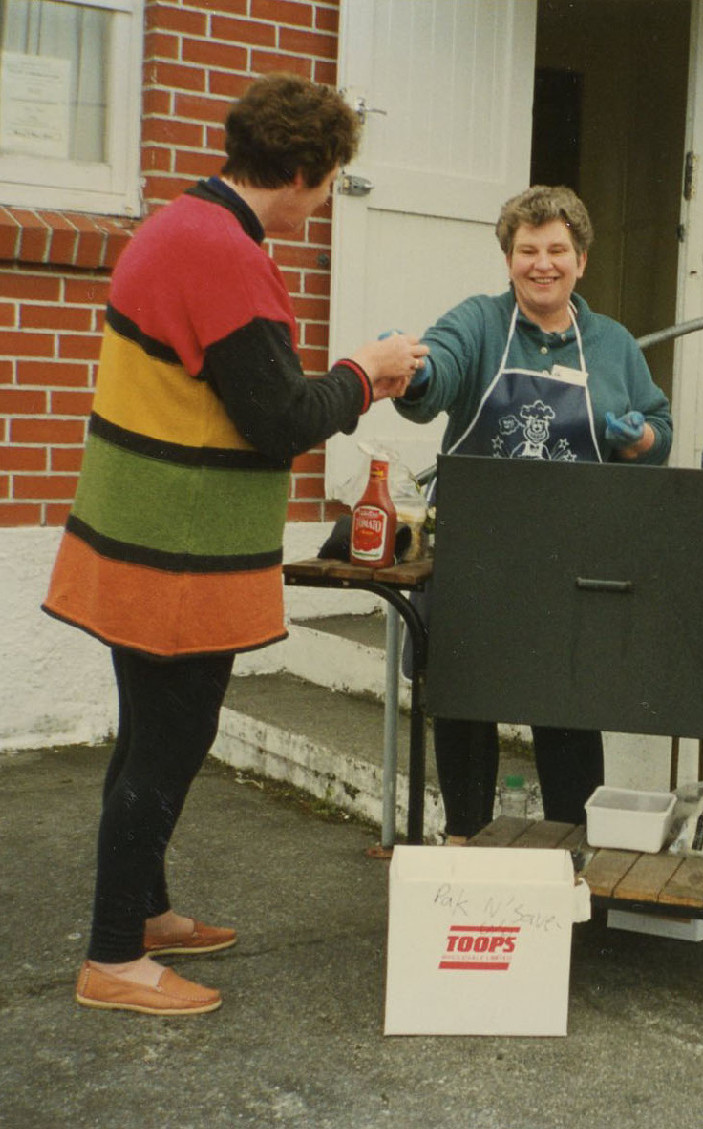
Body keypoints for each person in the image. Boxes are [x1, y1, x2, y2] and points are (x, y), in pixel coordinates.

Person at [42, 74, 428, 1016]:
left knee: (147, 731)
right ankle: (111, 960)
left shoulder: (184, 225)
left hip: (140, 532)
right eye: (331, 179)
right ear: (300, 171)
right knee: (167, 748)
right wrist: (366, 373)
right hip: (174, 548)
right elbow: (277, 417)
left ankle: (145, 910)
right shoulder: (221, 251)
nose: (329, 196)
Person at [396, 185, 672, 841]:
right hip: (479, 550)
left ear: (580, 260)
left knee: (568, 706)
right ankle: (463, 834)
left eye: (556, 249)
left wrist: (640, 439)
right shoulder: (479, 323)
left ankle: (571, 843)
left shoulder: (612, 345)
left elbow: (658, 429)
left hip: (573, 552)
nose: (541, 263)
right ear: (508, 257)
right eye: (527, 250)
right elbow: (437, 368)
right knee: (464, 698)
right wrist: (414, 372)